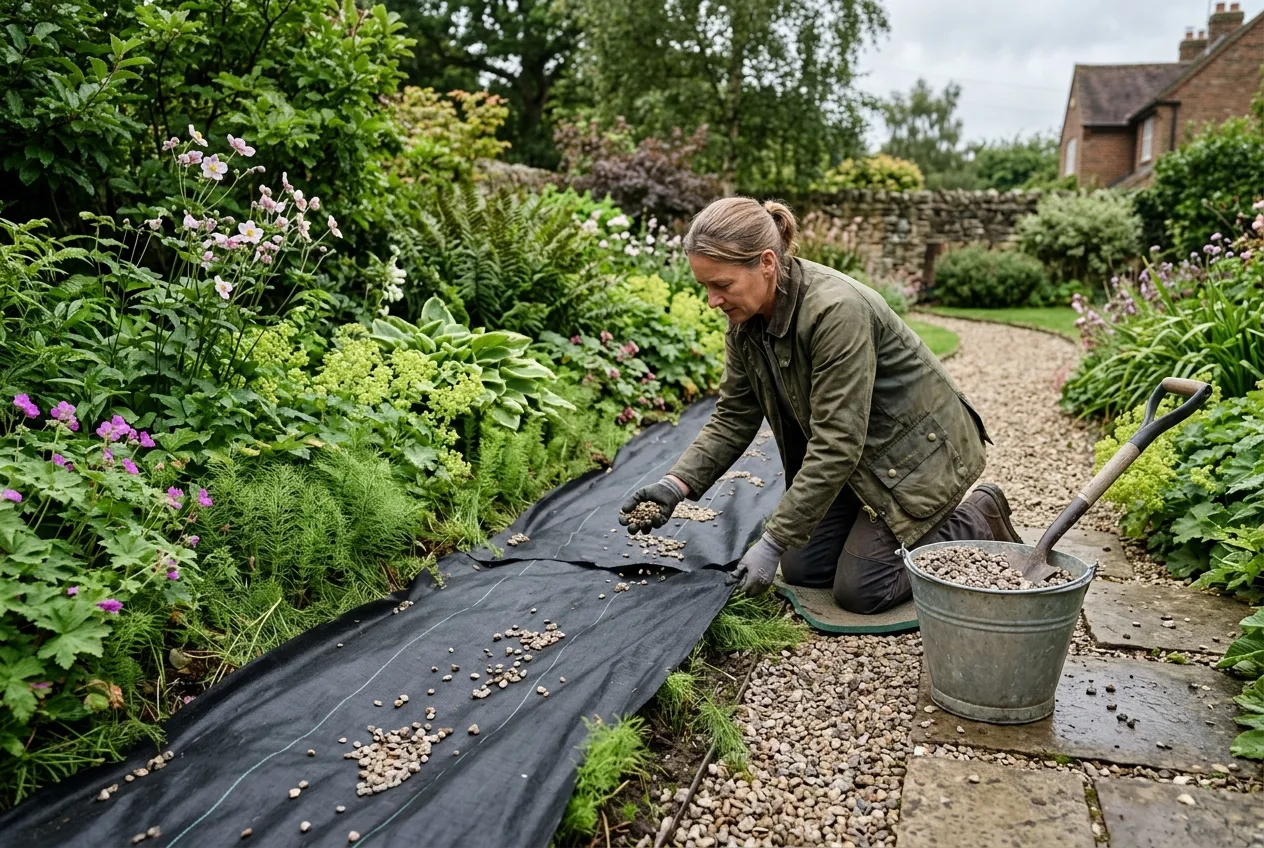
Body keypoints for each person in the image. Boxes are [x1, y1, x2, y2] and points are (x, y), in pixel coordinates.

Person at [618, 197, 1022, 614]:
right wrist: (675, 486)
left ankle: (978, 515)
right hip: (864, 461)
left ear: (768, 263)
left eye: (721, 285)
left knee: (862, 590)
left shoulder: (835, 312)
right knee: (803, 569)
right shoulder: (745, 323)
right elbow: (733, 416)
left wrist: (772, 541)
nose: (712, 300)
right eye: (705, 286)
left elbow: (837, 443)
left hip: (919, 456)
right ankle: (868, 525)